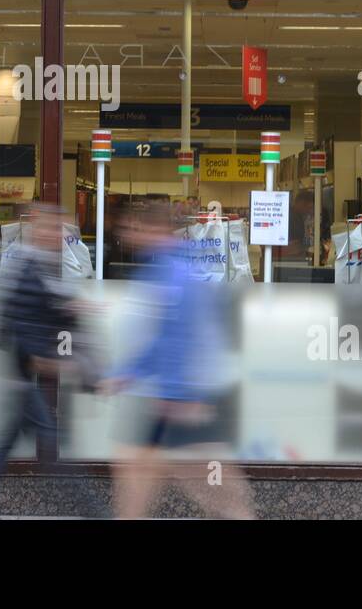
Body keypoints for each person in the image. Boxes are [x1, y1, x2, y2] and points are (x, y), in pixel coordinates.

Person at [99, 204, 253, 520]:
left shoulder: (174, 272)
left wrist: (176, 395)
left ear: (155, 230)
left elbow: (180, 337)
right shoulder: (162, 268)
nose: (128, 234)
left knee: (212, 488)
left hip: (182, 398)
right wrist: (127, 374)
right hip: (173, 396)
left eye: (135, 228)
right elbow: (159, 338)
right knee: (136, 470)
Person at [0, 203, 77, 520]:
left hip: (21, 371)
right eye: (52, 228)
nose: (57, 235)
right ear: (38, 230)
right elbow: (19, 320)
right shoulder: (27, 264)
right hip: (22, 369)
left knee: (7, 437)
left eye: (60, 229)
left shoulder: (38, 263)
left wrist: (70, 310)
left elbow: (42, 309)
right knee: (50, 441)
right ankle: (93, 510)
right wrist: (41, 357)